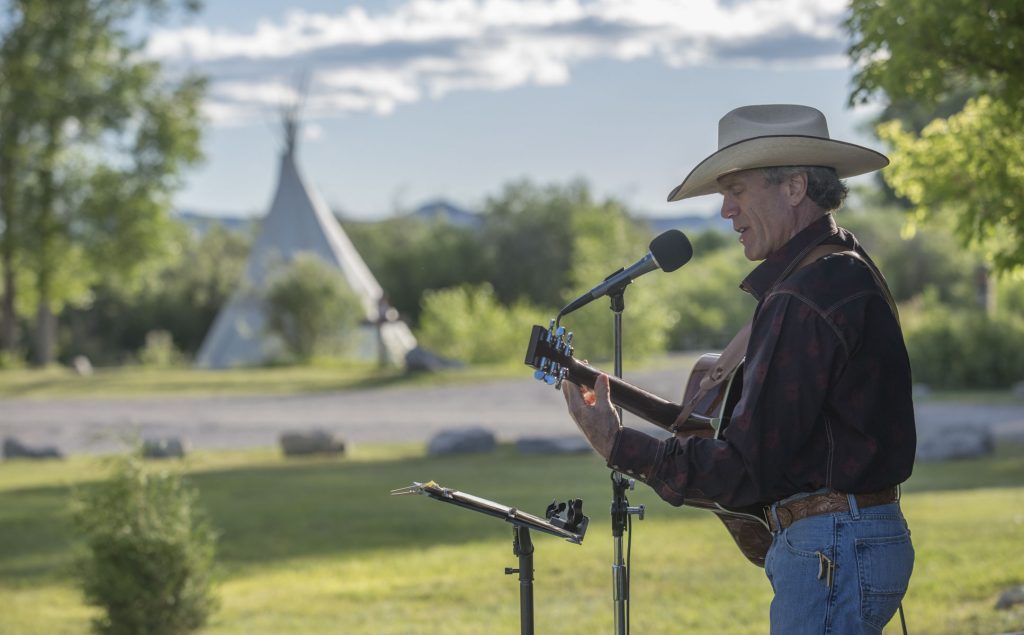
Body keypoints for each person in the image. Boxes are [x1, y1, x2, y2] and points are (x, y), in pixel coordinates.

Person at [562, 104, 916, 634]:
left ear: (794, 187)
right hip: (846, 543)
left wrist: (619, 446)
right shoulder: (834, 265)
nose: (726, 210)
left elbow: (746, 469)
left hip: (834, 549)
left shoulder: (806, 292)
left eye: (738, 190)